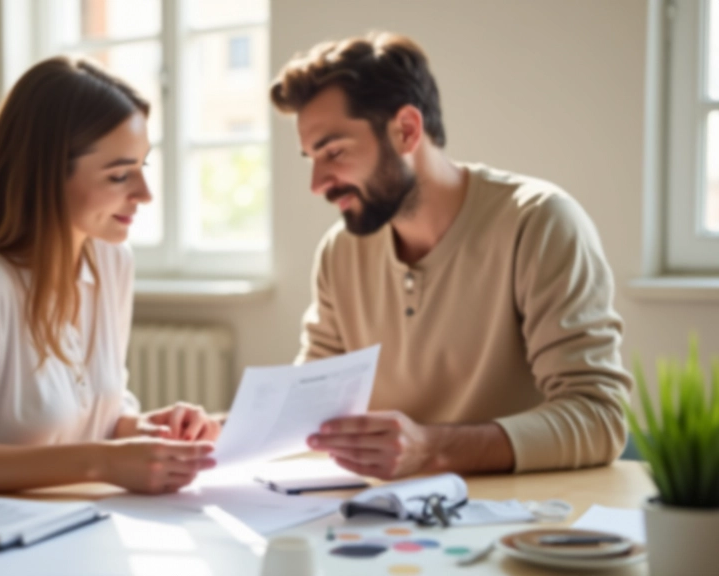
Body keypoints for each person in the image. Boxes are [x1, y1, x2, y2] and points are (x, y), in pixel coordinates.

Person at [0, 57, 220, 515]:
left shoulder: (111, 262)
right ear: (47, 174)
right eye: (119, 174)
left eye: (143, 166)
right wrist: (101, 462)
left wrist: (147, 431)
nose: (145, 192)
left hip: (32, 525)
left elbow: (92, 420)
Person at [269, 33, 632, 479]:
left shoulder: (538, 223)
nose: (318, 183)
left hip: (523, 521)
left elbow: (600, 418)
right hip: (388, 523)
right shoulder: (341, 251)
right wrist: (211, 435)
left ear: (406, 130)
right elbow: (309, 405)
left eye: (334, 152)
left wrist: (432, 450)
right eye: (311, 158)